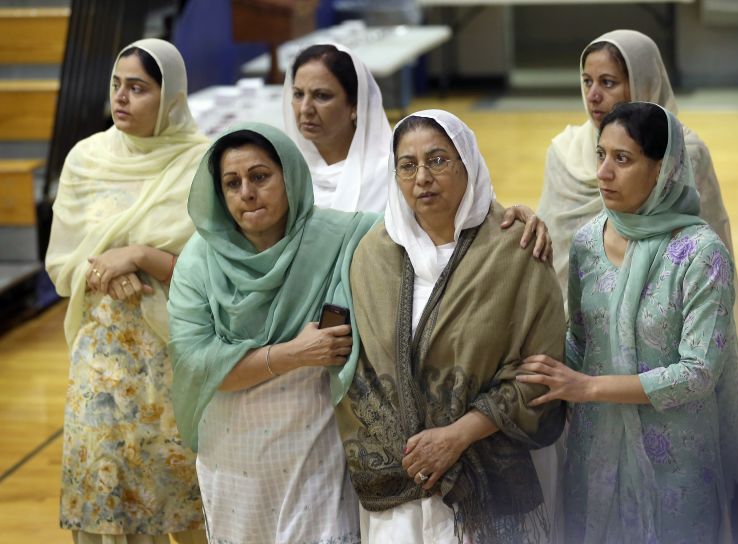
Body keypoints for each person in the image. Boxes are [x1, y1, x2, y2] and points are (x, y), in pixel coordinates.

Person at [518, 102, 738, 543]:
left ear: (663, 169)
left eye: (622, 159)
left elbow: (697, 373)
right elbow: (581, 339)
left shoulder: (700, 254)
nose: (604, 173)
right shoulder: (589, 240)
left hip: (675, 465)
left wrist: (586, 387)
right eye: (600, 155)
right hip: (596, 454)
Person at [335, 110, 567, 544]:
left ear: (469, 164)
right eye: (408, 165)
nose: (422, 177)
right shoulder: (371, 255)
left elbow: (543, 373)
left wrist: (458, 435)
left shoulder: (515, 250)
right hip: (402, 483)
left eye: (438, 160)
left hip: (490, 485)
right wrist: (416, 453)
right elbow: (360, 375)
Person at [535, 28, 738, 451]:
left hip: (668, 374)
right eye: (587, 81)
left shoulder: (685, 158)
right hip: (590, 378)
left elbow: (696, 363)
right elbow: (554, 250)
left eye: (608, 82)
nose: (593, 95)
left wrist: (589, 386)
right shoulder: (566, 155)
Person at [167, 122, 378, 544]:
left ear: (290, 177)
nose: (246, 192)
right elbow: (198, 365)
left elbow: (424, 230)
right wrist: (295, 354)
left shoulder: (344, 236)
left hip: (314, 441)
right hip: (233, 451)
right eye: (232, 183)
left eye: (260, 176)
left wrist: (509, 220)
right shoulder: (197, 262)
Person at [44, 39, 208, 543]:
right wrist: (108, 269)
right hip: (103, 352)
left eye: (138, 88)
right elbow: (63, 259)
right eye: (117, 85)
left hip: (177, 354)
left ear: (171, 99)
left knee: (182, 492)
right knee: (104, 485)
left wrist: (138, 257)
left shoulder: (201, 164)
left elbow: (213, 273)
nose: (121, 98)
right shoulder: (86, 159)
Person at [282, 43, 392, 212]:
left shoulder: (389, 175)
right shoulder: (285, 170)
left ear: (355, 106)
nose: (305, 108)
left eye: (321, 96)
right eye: (298, 94)